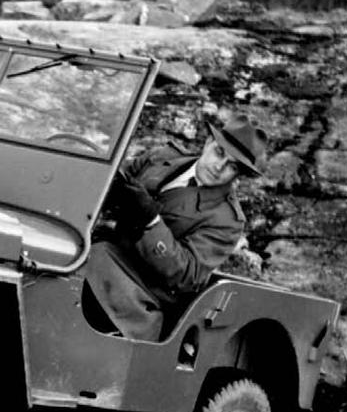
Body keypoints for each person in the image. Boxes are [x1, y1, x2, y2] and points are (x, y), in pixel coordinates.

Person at [84, 114, 269, 341]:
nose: (219, 167)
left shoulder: (226, 220)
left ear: (238, 174)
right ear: (208, 142)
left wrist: (151, 222)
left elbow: (187, 275)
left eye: (231, 166)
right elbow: (114, 182)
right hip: (100, 257)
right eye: (219, 152)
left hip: (134, 298)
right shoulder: (163, 157)